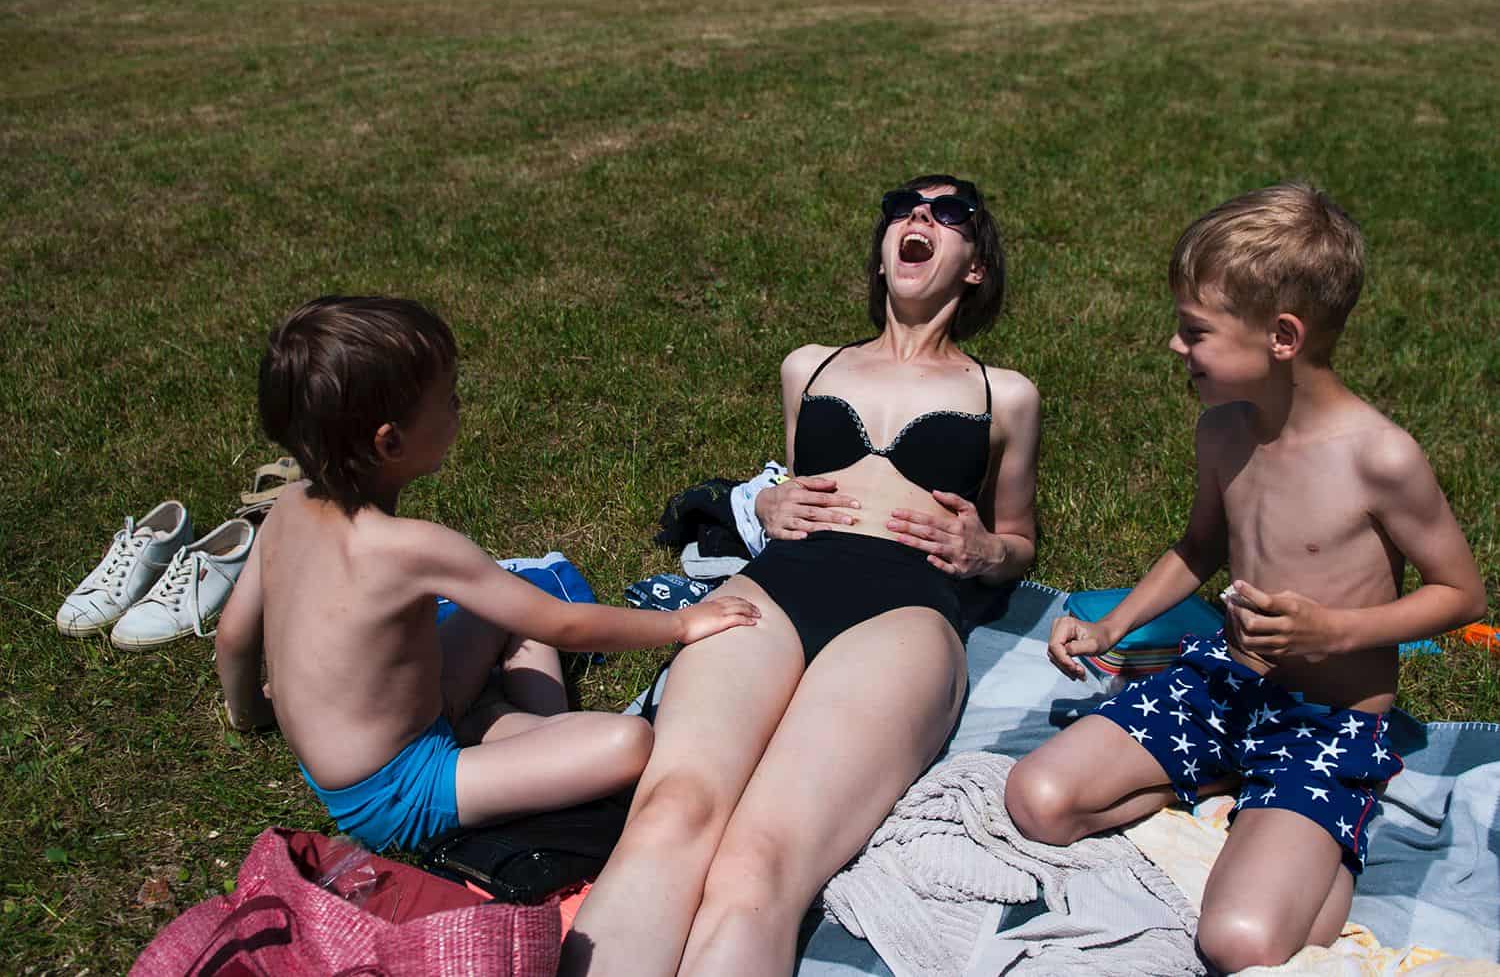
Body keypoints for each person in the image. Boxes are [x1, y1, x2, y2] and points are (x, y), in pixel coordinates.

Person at [561, 175, 1041, 976]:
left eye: (950, 212)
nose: (919, 217)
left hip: (903, 613)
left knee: (759, 860)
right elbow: (792, 482)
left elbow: (1019, 539)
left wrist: (987, 551)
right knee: (671, 812)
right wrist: (769, 502)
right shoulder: (810, 367)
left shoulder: (1005, 395)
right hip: (773, 590)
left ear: (975, 267)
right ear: (882, 253)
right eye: (903, 207)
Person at [1005, 183, 1485, 972]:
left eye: (1195, 330)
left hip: (1324, 721)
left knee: (1239, 942)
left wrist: (1335, 629)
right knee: (1037, 801)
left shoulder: (1379, 457)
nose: (1175, 345)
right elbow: (1201, 546)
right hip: (1225, 685)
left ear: (1282, 337)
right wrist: (1109, 626)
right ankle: (1220, 779)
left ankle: (1326, 839)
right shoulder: (1223, 431)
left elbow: (1462, 595)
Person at [214, 296, 759, 853]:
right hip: (399, 792)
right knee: (628, 742)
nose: (459, 406)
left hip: (368, 747)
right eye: (448, 398)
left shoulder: (287, 506)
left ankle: (505, 732)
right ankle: (524, 745)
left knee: (510, 604)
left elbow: (233, 635)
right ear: (390, 441)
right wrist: (681, 624)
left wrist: (253, 713)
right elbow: (564, 625)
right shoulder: (411, 548)